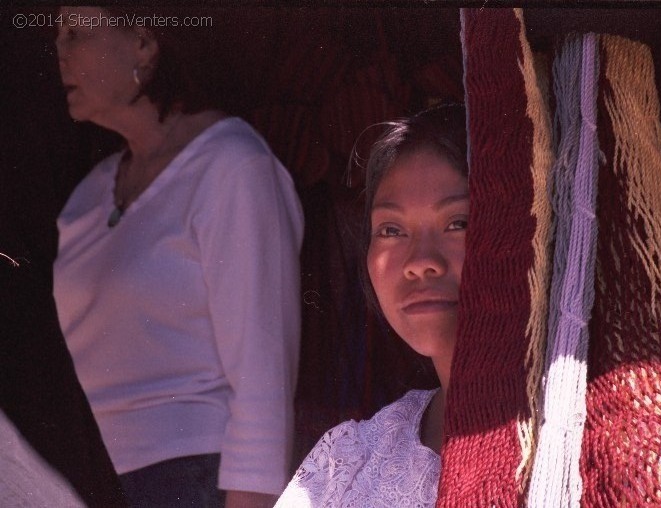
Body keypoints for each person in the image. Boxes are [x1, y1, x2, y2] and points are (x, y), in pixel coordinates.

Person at [52, 6, 303, 507]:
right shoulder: (87, 196)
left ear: (144, 43)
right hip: (81, 481)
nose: (59, 52)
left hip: (186, 481)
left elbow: (263, 379)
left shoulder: (232, 166)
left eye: (75, 33)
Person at [276, 104, 467, 506]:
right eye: (392, 230)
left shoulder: (597, 429)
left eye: (457, 223)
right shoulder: (349, 461)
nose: (420, 262)